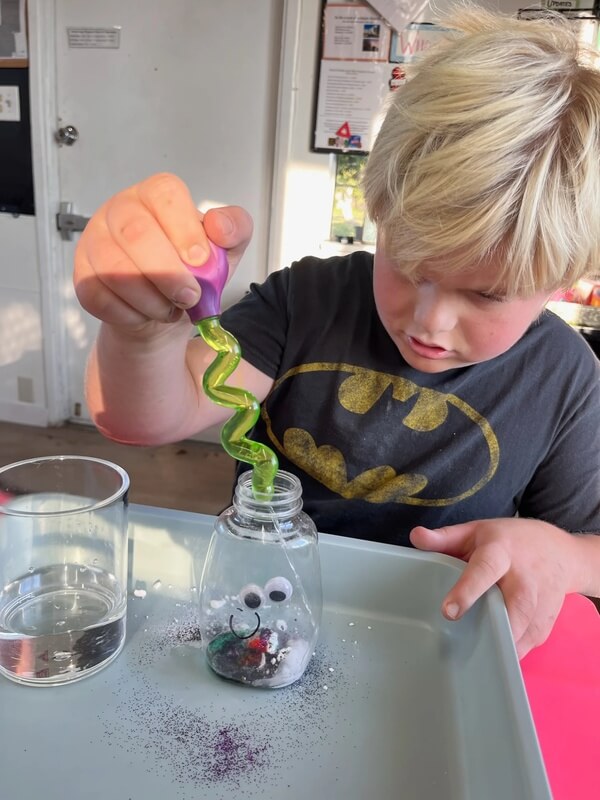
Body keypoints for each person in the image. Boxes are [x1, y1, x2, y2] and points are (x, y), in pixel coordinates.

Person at [73, 4, 600, 659]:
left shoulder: (565, 380)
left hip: (430, 633)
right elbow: (143, 418)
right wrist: (142, 334)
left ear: (561, 281)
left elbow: (592, 547)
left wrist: (564, 556)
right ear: (377, 213)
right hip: (264, 607)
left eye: (486, 294)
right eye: (408, 267)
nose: (429, 320)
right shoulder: (309, 299)